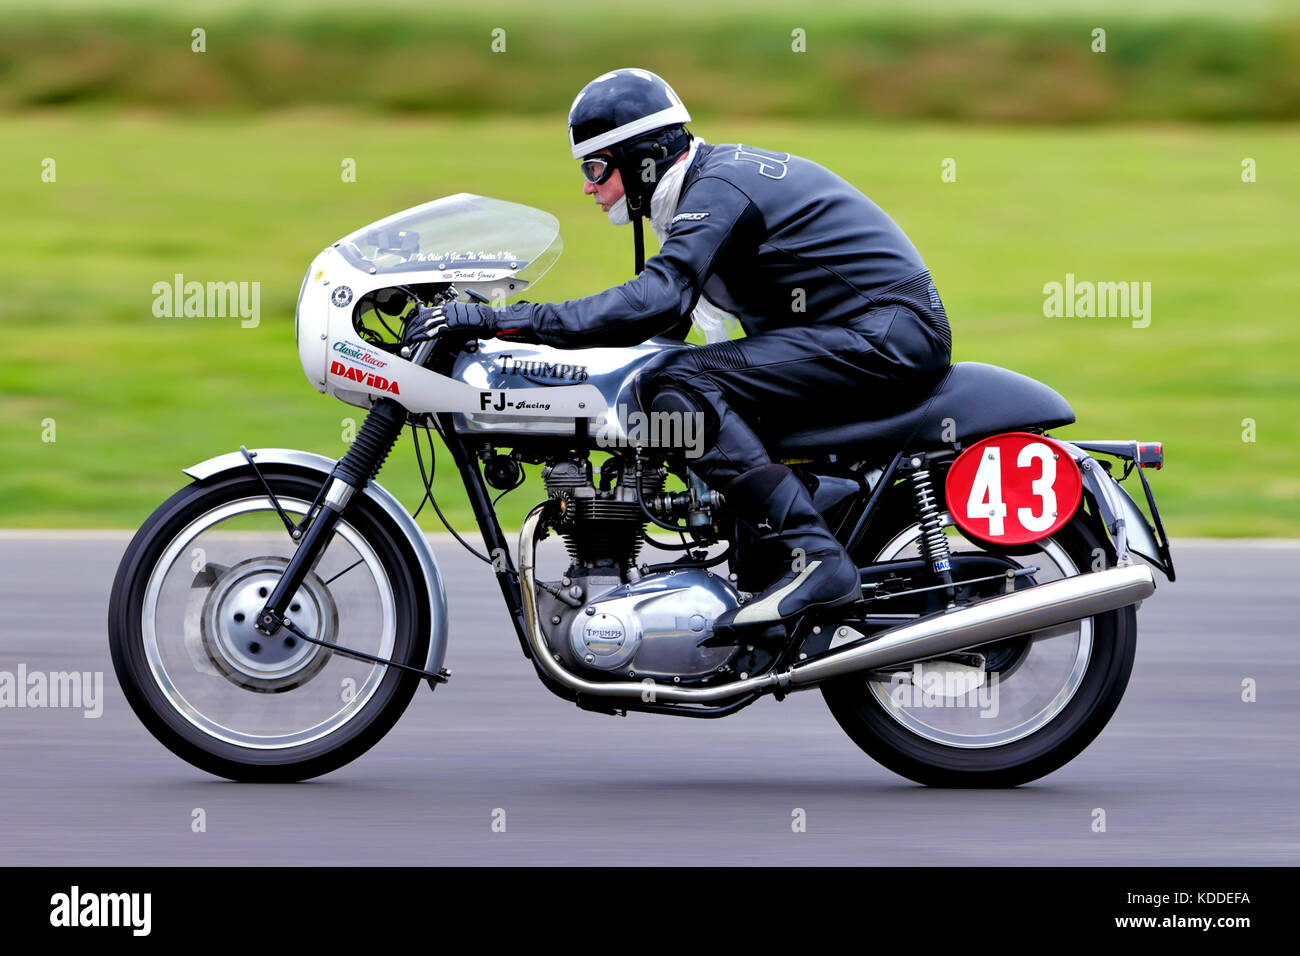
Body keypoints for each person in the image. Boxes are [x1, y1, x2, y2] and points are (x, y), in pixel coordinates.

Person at [419, 68, 953, 633]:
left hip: (889, 334)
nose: (588, 187)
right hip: (864, 330)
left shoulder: (715, 189)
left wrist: (506, 320)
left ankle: (818, 560)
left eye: (595, 168)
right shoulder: (699, 188)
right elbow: (663, 326)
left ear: (643, 155)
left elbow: (655, 300)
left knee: (675, 384)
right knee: (663, 376)